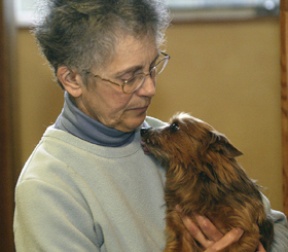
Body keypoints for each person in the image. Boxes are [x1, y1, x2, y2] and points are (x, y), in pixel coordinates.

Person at [13, 0, 288, 251]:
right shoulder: (48, 188)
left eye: (152, 67)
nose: (150, 88)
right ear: (72, 79)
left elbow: (277, 229)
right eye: (129, 77)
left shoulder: (175, 143)